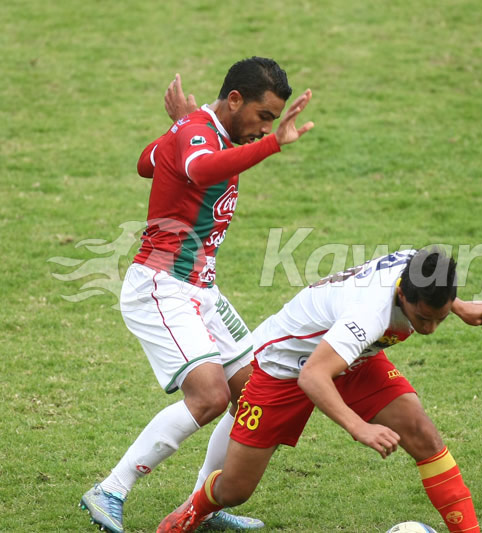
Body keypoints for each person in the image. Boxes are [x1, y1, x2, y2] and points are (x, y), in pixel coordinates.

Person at [80, 57, 314, 532]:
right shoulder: (202, 136)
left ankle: (201, 507)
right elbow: (202, 169)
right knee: (207, 397)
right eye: (263, 116)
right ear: (234, 100)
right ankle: (110, 489)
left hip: (202, 289)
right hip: (161, 286)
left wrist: (177, 131)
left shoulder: (202, 130)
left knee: (253, 391)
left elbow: (148, 162)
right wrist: (266, 144)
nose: (265, 127)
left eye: (272, 120)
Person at [155, 248, 482, 533]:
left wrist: (460, 306)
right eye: (423, 318)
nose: (430, 329)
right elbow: (313, 376)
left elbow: (433, 297)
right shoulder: (368, 313)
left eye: (440, 318)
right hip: (285, 369)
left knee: (423, 434)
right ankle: (195, 509)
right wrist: (358, 426)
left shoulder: (418, 267)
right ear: (402, 294)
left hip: (352, 357)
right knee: (235, 489)